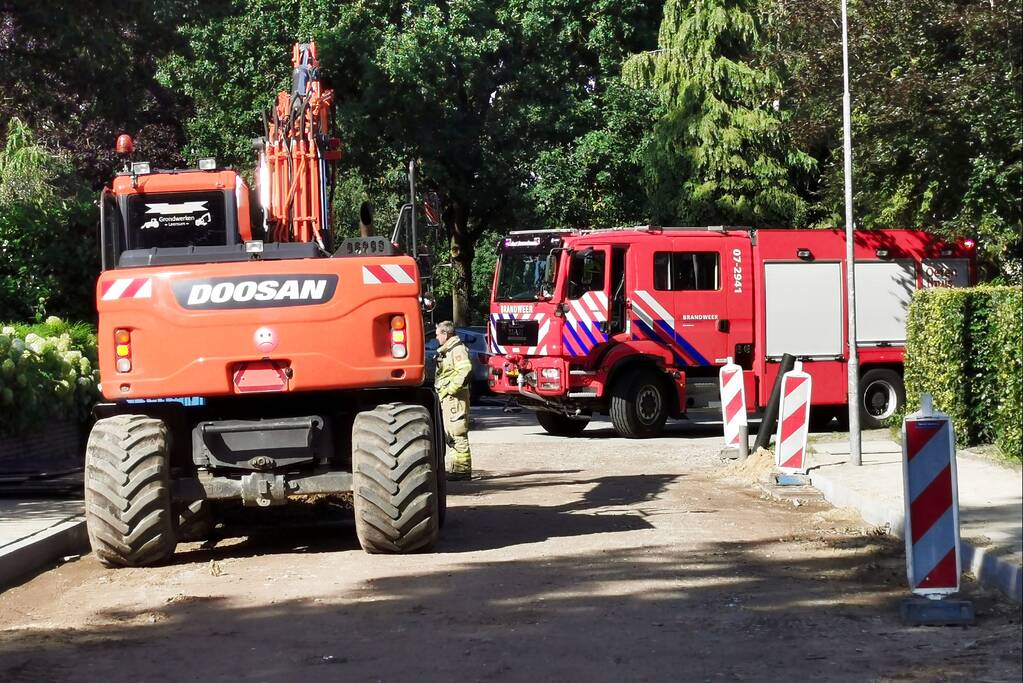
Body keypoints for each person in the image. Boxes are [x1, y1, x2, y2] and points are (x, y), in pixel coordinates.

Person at [434, 321, 473, 480]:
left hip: (455, 399)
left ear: (446, 334)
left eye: (438, 334)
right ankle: (456, 469)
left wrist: (450, 389)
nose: (436, 338)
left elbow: (465, 370)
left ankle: (462, 471)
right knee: (450, 434)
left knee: (457, 433)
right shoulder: (448, 350)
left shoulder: (457, 350)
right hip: (449, 398)